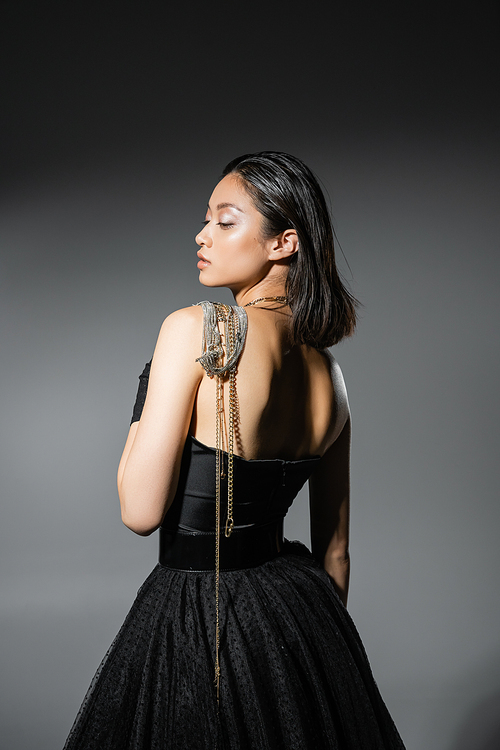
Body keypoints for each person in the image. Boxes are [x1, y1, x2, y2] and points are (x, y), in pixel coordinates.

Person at [63, 152, 405, 749]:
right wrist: (316, 662)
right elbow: (338, 554)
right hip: (299, 612)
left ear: (283, 243)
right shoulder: (332, 373)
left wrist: (145, 398)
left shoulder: (197, 329)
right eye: (206, 220)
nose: (201, 235)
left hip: (201, 609)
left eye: (225, 221)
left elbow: (139, 513)